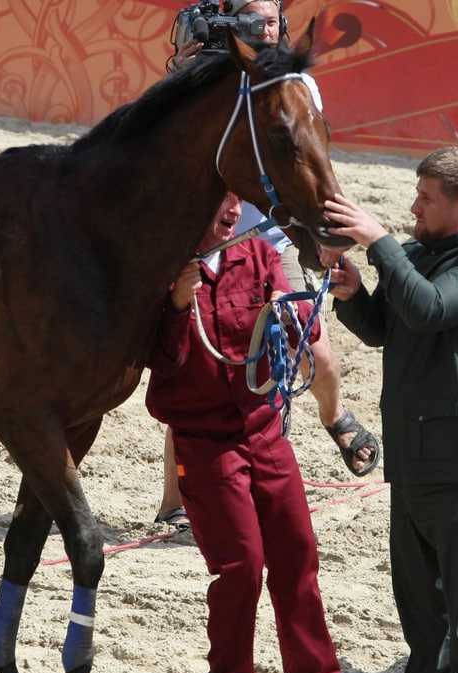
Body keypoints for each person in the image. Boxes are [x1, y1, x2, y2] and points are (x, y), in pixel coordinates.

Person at [146, 190, 376, 673]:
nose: (231, 212)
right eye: (219, 204)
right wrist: (178, 303)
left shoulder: (259, 254)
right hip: (205, 439)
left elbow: (303, 333)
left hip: (265, 429)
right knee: (241, 565)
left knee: (297, 553)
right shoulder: (160, 266)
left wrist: (295, 314)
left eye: (234, 204)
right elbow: (159, 363)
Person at [155, 0, 379, 531]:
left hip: (276, 237)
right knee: (203, 379)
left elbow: (311, 160)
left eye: (270, 13)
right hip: (216, 241)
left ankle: (334, 416)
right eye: (250, 15)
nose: (264, 24)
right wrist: (187, 73)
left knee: (318, 356)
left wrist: (325, 234)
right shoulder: (212, 77)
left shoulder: (298, 83)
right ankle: (173, 503)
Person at [324, 146, 458, 673]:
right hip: (412, 465)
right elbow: (387, 326)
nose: (413, 207)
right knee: (421, 612)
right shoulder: (415, 255)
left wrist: (379, 242)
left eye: (426, 198)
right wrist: (354, 292)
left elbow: (430, 308)